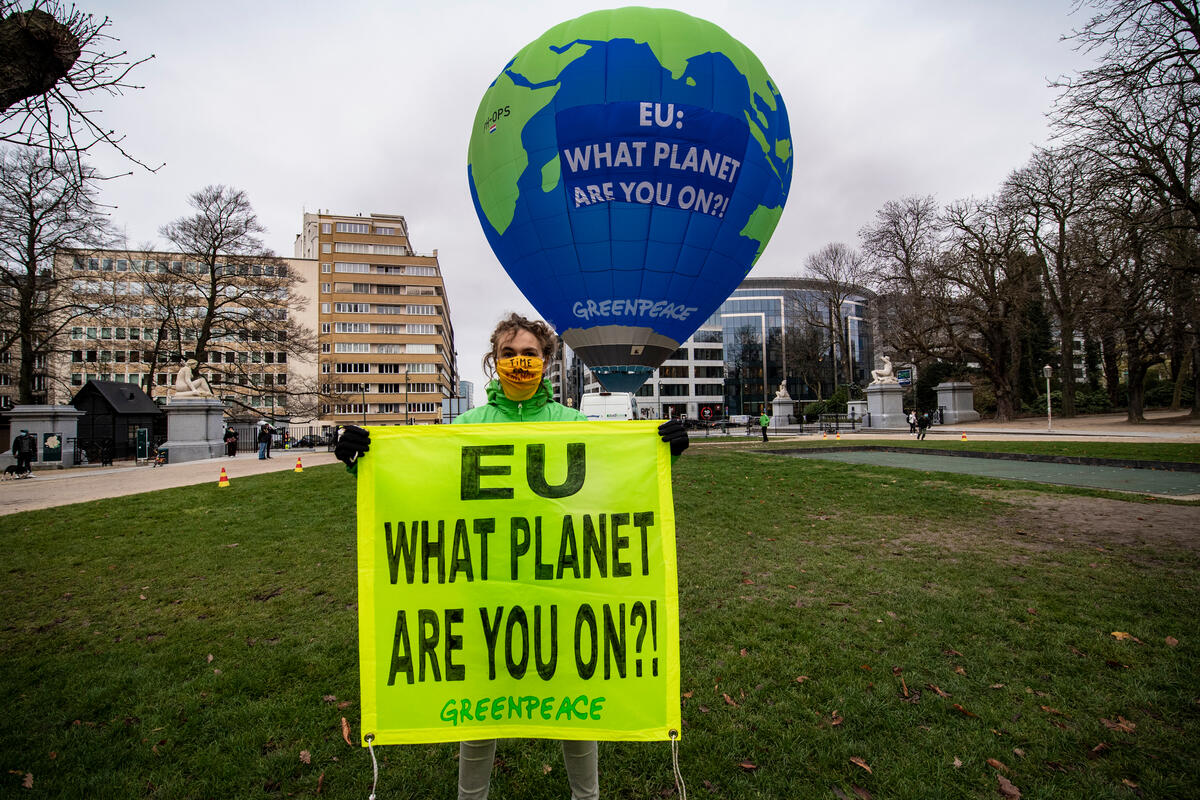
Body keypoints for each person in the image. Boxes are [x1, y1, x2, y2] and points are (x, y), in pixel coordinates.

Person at [335, 312, 688, 800]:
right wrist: (364, 463)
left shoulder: (574, 424)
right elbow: (422, 489)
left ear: (546, 360)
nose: (519, 362)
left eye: (530, 354)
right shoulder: (467, 426)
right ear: (492, 360)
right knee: (480, 710)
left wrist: (659, 455)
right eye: (508, 353)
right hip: (486, 589)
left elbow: (612, 488)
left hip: (562, 591)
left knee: (576, 707)